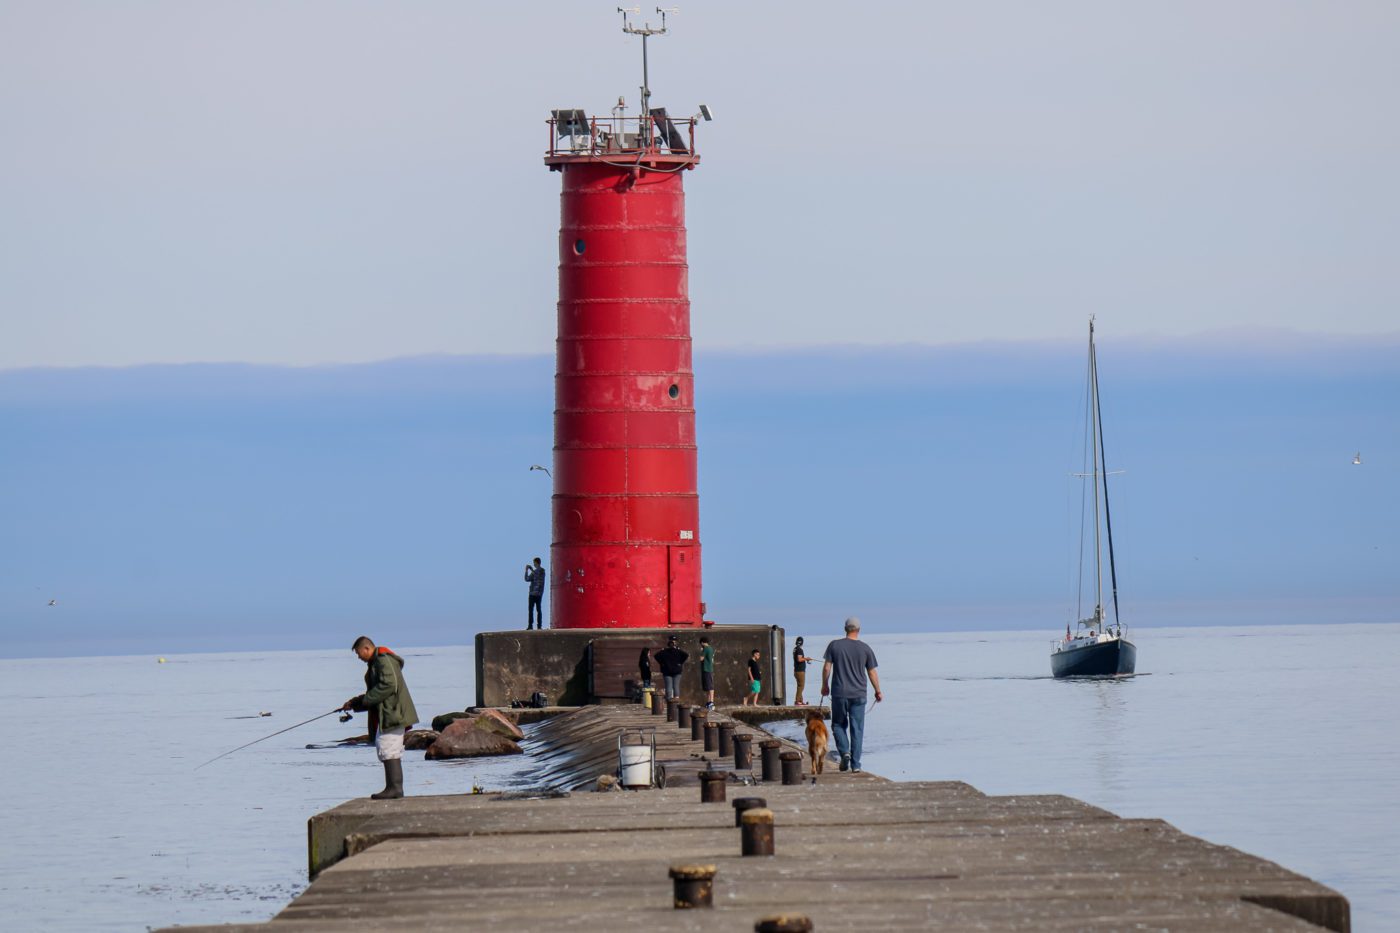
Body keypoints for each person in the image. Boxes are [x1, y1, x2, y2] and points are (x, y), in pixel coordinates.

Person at [341, 635, 420, 800]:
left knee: (389, 747)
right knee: (386, 747)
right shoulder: (377, 662)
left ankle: (395, 789)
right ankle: (392, 787)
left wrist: (364, 701)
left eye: (358, 653)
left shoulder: (383, 660)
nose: (358, 657)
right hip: (389, 711)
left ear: (366, 649)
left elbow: (389, 685)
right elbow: (377, 691)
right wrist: (355, 703)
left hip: (393, 712)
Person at [820, 616, 883, 773]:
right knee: (857, 729)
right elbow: (872, 672)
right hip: (859, 694)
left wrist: (824, 685)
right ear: (859, 630)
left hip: (839, 693)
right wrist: (878, 691)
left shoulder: (834, 645)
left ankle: (845, 752)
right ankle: (855, 765)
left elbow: (827, 668)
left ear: (845, 629)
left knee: (838, 725)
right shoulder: (865, 648)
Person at [653, 636, 688, 700]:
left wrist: (662, 663)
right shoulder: (678, 651)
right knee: (676, 686)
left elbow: (656, 656)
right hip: (677, 671)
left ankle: (669, 700)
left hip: (667, 671)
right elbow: (686, 655)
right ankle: (676, 700)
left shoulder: (664, 651)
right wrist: (680, 662)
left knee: (668, 686)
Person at [792, 636, 817, 705]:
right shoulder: (799, 650)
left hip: (796, 670)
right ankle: (797, 701)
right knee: (801, 686)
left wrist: (805, 659)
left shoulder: (795, 649)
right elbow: (799, 659)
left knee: (799, 686)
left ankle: (800, 700)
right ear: (802, 643)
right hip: (800, 671)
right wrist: (806, 658)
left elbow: (799, 659)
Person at [524, 558, 546, 630]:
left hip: (533, 593)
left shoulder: (538, 571)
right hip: (539, 594)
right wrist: (531, 570)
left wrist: (527, 570)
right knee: (538, 610)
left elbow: (527, 578)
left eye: (534, 563)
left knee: (532, 610)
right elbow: (535, 576)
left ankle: (531, 626)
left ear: (536, 563)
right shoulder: (542, 571)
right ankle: (538, 626)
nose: (533, 564)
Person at [699, 636, 715, 710]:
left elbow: (701, 658)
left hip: (706, 669)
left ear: (702, 642)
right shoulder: (711, 648)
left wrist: (701, 651)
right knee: (709, 686)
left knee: (710, 686)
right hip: (710, 669)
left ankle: (711, 702)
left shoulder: (705, 649)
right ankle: (709, 702)